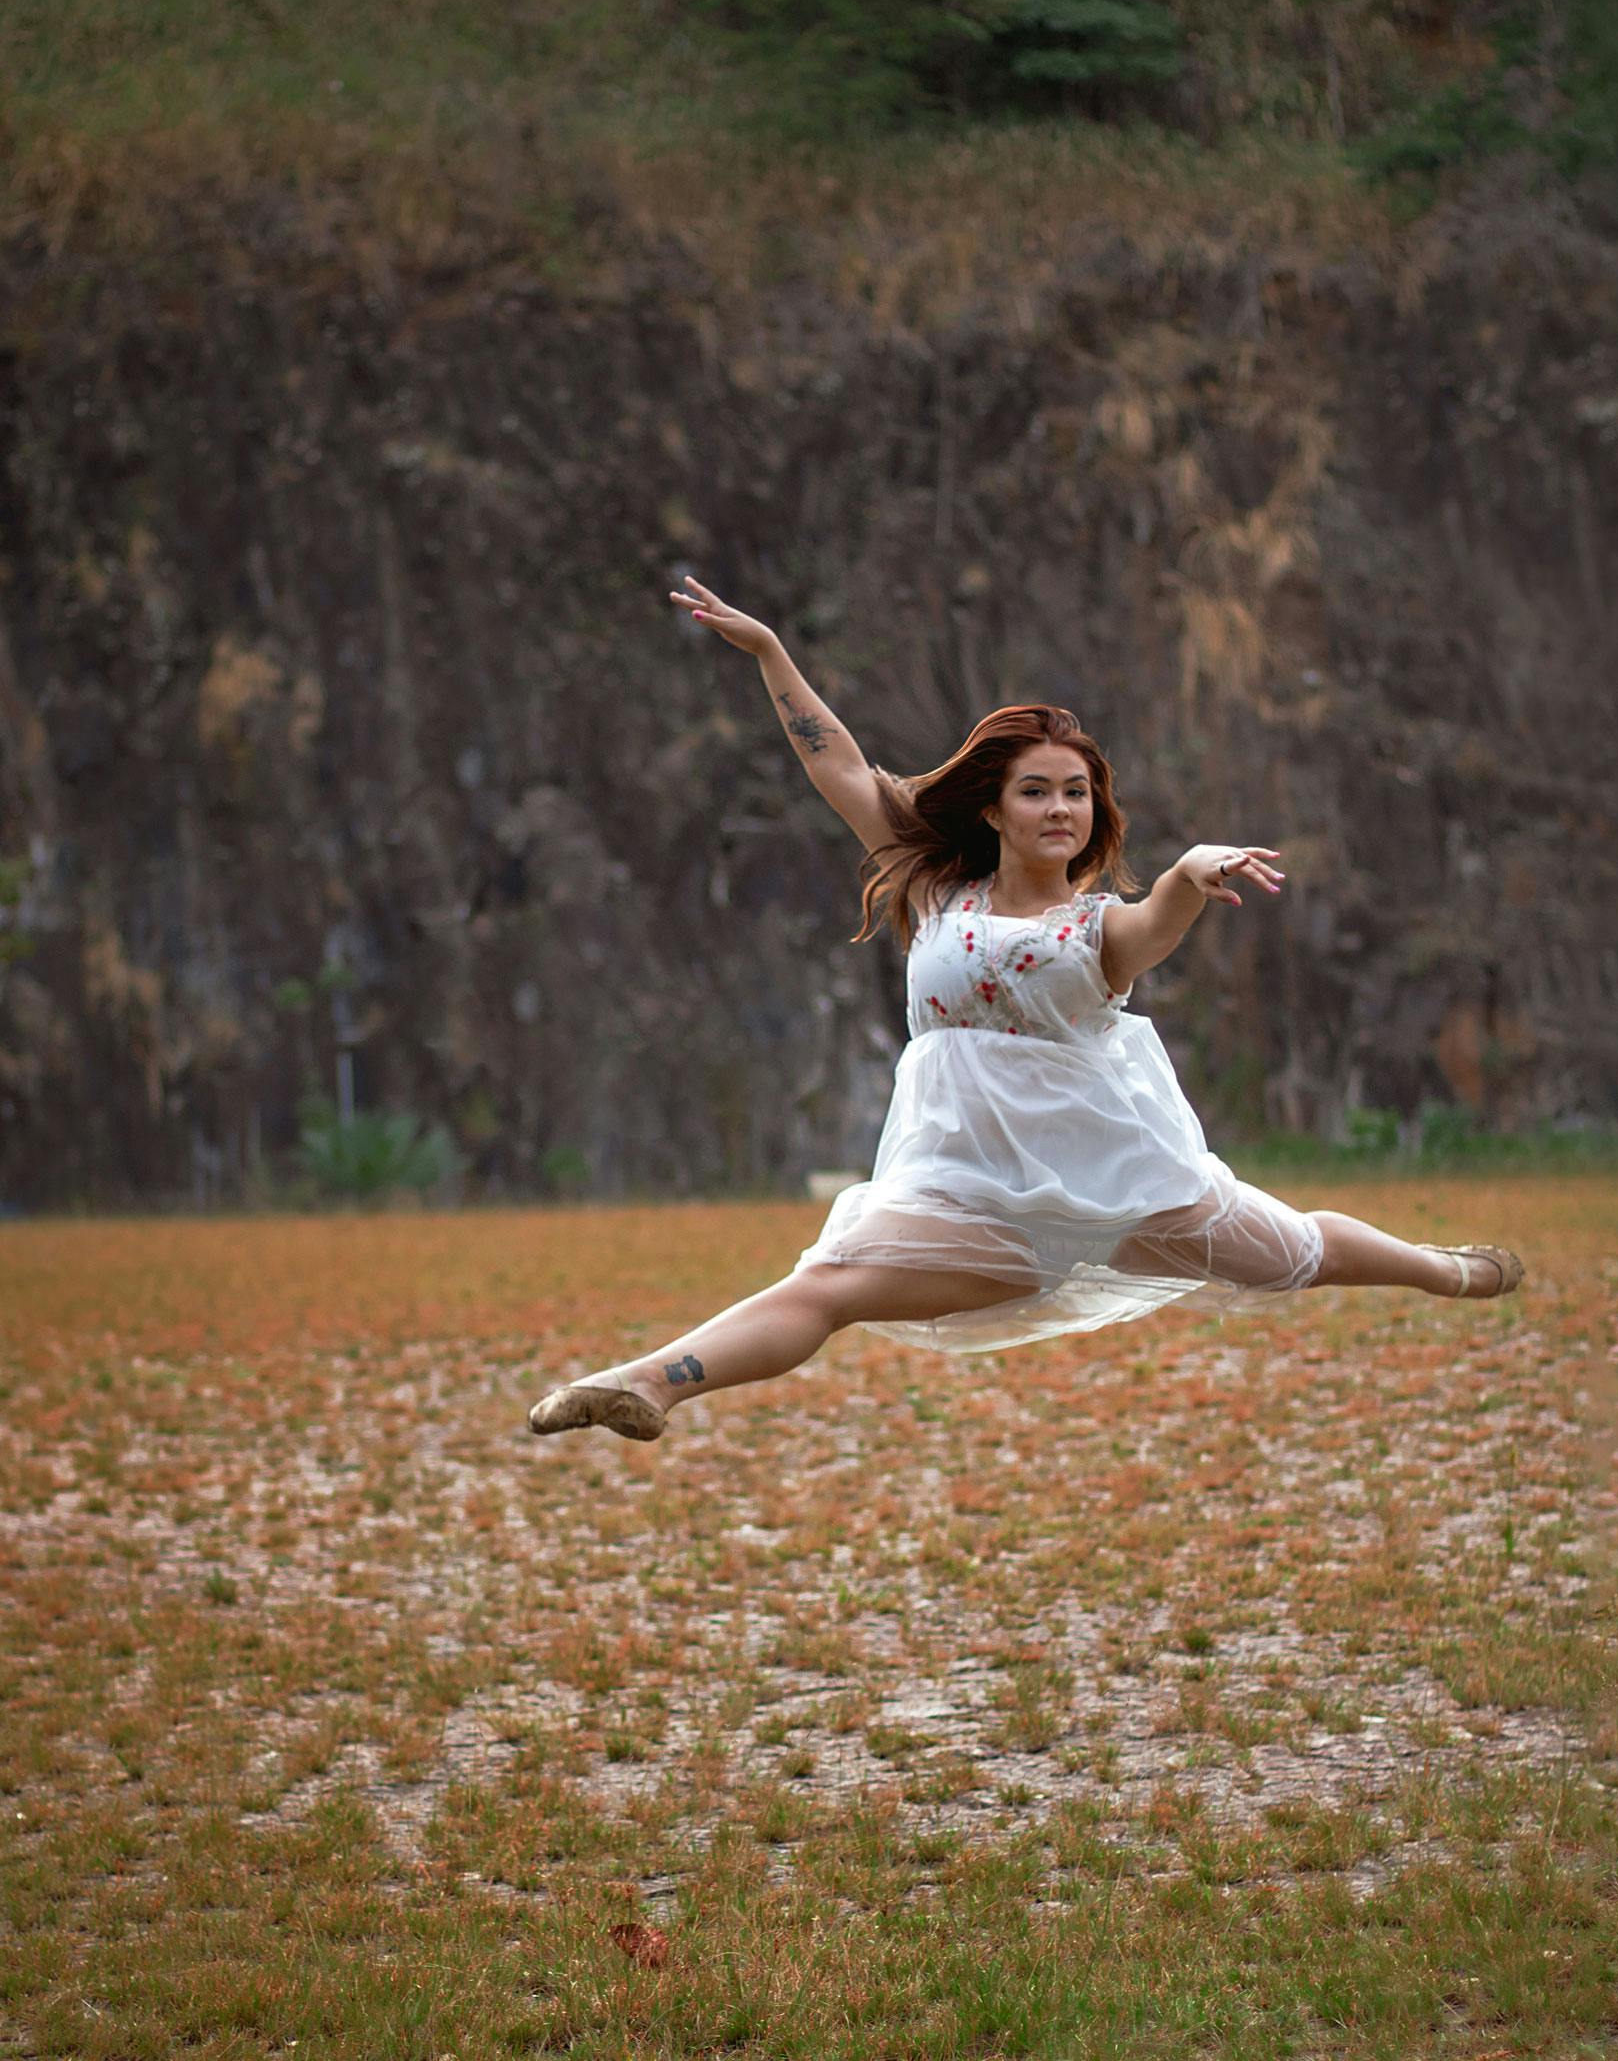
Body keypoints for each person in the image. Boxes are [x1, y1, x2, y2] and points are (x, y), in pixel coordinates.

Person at [529, 577, 1522, 1443]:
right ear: (993, 808)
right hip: (972, 1198)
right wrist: (771, 653)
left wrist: (1186, 870)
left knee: (1290, 1254)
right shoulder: (934, 891)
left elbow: (1155, 923)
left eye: (1077, 795)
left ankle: (1443, 1271)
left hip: (1125, 1184)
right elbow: (834, 765)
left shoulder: (1095, 932)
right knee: (825, 1285)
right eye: (1037, 791)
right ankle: (645, 1383)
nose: (1059, 809)